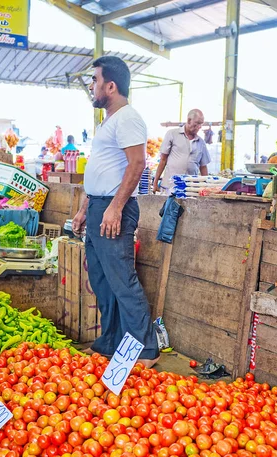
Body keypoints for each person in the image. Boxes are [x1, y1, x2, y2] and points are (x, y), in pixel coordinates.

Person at [72, 55, 159, 368]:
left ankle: (145, 349)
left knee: (121, 279)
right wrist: (85, 209)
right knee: (101, 280)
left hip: (114, 208)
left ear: (111, 85)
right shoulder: (107, 121)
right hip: (98, 206)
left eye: (95, 81)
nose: (92, 87)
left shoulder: (128, 118)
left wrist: (116, 207)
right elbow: (102, 171)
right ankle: (110, 342)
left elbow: (137, 165)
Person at [152, 109, 211, 193]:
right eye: (197, 123)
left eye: (201, 124)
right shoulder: (172, 134)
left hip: (190, 189)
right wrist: (155, 182)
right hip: (170, 187)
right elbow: (163, 160)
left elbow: (203, 167)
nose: (199, 127)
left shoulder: (201, 143)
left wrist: (206, 187)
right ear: (189, 120)